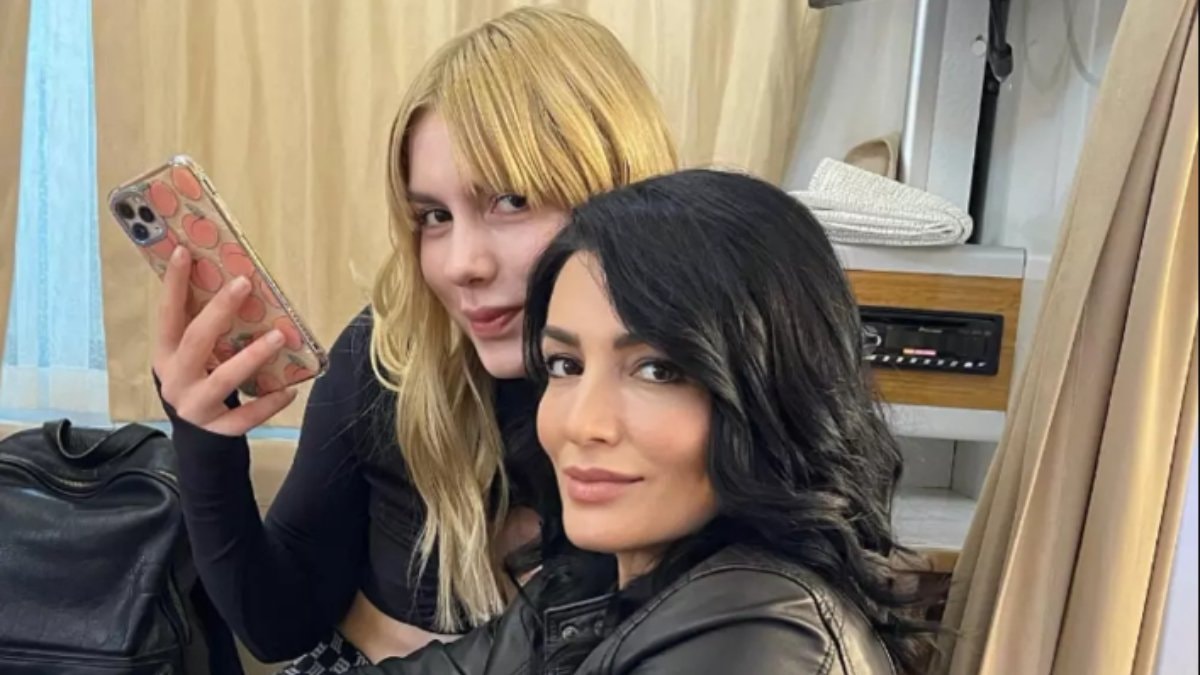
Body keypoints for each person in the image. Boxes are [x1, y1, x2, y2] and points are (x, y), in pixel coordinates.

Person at [150, 6, 678, 671]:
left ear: (615, 191)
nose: (461, 264)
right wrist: (206, 443)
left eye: (511, 201)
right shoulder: (386, 358)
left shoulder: (697, 389)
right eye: (433, 215)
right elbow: (279, 623)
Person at [347, 169, 938, 675]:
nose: (583, 423)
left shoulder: (759, 635)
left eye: (657, 371)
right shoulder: (607, 578)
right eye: (566, 365)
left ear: (773, 392)